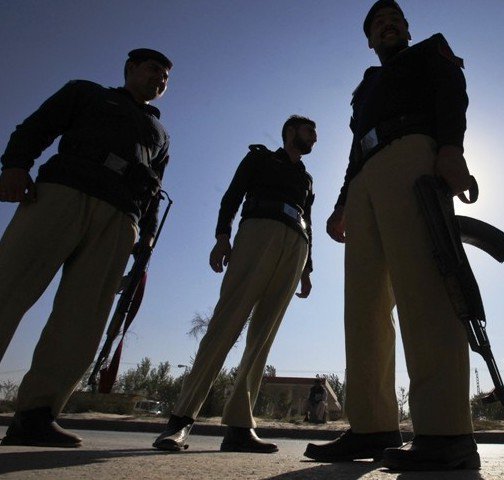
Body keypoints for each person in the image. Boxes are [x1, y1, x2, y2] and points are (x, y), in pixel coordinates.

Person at [304, 0, 480, 472]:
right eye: (378, 22)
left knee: (424, 290)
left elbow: (451, 94)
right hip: (364, 179)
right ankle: (371, 426)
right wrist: (343, 200)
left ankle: (446, 431)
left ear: (406, 29)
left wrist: (450, 150)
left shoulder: (429, 52)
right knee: (362, 309)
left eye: (395, 20)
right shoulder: (366, 85)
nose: (388, 25)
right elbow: (353, 145)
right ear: (368, 38)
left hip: (412, 156)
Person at [0, 48, 172, 447]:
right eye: (153, 70)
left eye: (165, 77)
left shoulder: (160, 133)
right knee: (8, 286)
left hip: (119, 218)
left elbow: (156, 186)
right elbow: (38, 126)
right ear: (130, 69)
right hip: (62, 194)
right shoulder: (87, 93)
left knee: (83, 317)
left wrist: (145, 235)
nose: (159, 79)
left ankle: (36, 413)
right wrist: (14, 164)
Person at [152, 115, 316, 454]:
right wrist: (222, 236)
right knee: (226, 324)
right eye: (308, 130)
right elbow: (233, 194)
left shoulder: (307, 178)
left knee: (263, 337)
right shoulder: (259, 158)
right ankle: (181, 420)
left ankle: (240, 426)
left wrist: (307, 269)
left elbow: (308, 220)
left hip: (295, 243)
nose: (314, 137)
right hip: (259, 231)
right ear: (290, 132)